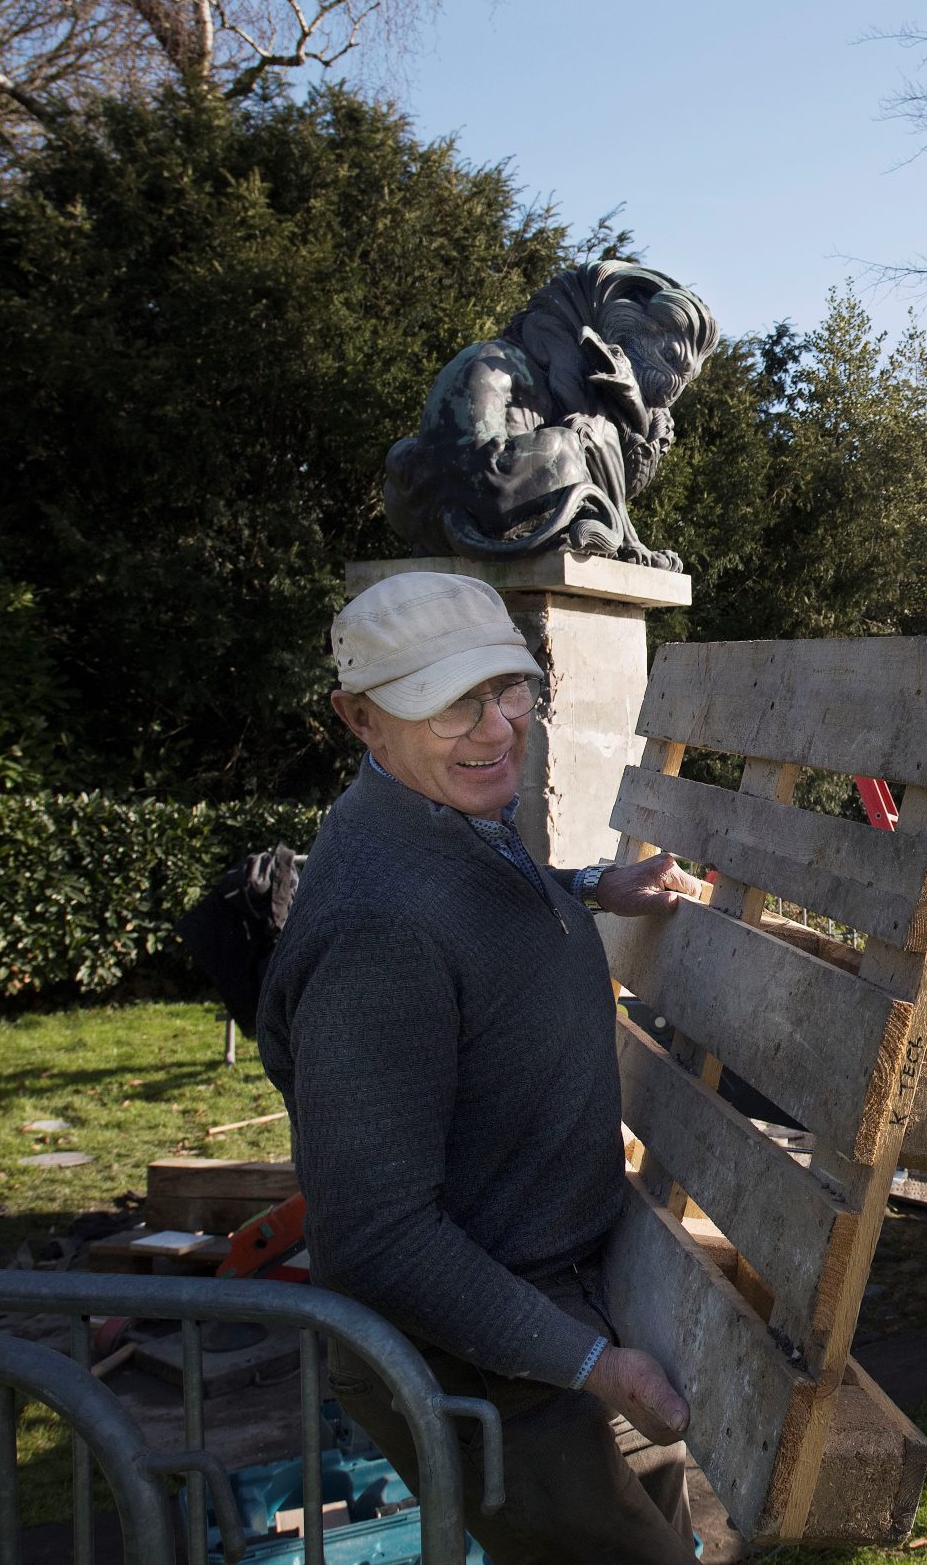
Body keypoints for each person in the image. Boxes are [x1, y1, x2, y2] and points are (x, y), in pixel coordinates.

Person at [260, 570, 709, 1564]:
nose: (499, 728)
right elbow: (377, 1237)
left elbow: (473, 900)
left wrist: (593, 885)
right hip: (479, 1362)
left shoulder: (434, 818)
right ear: (360, 718)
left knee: (663, 1526)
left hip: (555, 1308)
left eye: (509, 686)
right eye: (452, 703)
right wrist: (588, 1364)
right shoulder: (375, 934)